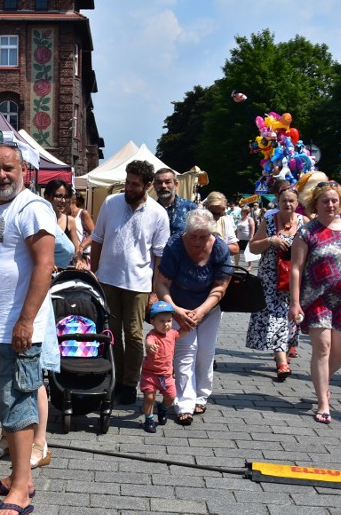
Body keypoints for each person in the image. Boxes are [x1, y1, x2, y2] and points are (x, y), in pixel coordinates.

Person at [0, 141, 56, 515]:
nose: (1, 175)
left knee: (18, 405)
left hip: (16, 328)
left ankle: (20, 490)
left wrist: (26, 320)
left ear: (23, 171)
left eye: (8, 168)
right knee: (3, 404)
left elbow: (44, 266)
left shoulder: (33, 209)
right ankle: (20, 477)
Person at [288, 181, 341, 424]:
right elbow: (296, 268)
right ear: (315, 203)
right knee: (323, 348)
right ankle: (323, 402)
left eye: (335, 200)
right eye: (325, 200)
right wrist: (295, 302)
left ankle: (322, 379)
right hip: (316, 298)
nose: (331, 204)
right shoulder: (307, 232)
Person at [91, 160, 170, 406]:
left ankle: (130, 382)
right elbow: (97, 239)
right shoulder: (111, 203)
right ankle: (115, 379)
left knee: (135, 335)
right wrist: (94, 272)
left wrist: (155, 291)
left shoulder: (158, 213)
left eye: (135, 184)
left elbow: (159, 256)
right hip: (108, 279)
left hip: (139, 284)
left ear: (148, 185)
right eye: (127, 182)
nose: (129, 187)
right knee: (111, 334)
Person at [154, 209, 232, 425]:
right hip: (179, 306)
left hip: (209, 307)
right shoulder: (175, 245)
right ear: (186, 233)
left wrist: (202, 311)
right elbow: (161, 283)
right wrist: (176, 311)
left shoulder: (219, 248)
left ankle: (202, 395)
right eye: (193, 236)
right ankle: (184, 403)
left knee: (205, 352)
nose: (198, 241)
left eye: (203, 236)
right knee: (185, 352)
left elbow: (221, 286)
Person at [246, 187, 307, 380]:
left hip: (294, 278)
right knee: (275, 317)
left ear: (298, 203)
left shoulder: (304, 223)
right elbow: (253, 247)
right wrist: (271, 240)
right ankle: (282, 361)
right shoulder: (269, 221)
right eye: (284, 201)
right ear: (278, 203)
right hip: (270, 278)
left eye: (291, 201)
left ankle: (283, 351)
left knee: (290, 317)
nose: (288, 204)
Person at [140, 301, 179, 433]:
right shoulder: (152, 335)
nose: (166, 324)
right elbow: (148, 342)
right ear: (152, 321)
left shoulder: (172, 333)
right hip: (150, 374)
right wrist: (150, 346)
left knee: (171, 397)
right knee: (149, 397)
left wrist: (190, 325)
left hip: (166, 375)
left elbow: (182, 333)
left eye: (169, 320)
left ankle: (162, 409)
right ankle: (149, 419)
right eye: (161, 321)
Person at [42, 180, 86, 270]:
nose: (63, 201)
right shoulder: (40, 220)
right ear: (47, 197)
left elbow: (76, 251)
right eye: (58, 196)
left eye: (65, 197)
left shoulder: (70, 221)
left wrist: (79, 262)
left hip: (63, 274)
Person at [154, 167, 197, 235]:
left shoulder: (191, 208)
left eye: (167, 182)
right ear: (154, 186)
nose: (163, 186)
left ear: (176, 184)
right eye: (159, 183)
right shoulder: (149, 210)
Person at [203, 191, 240, 256]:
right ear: (206, 207)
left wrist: (217, 247)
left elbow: (235, 249)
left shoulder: (225, 220)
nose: (216, 217)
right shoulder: (197, 220)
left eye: (220, 214)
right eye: (213, 213)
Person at [69, 193, 95, 265]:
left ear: (72, 201)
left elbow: (94, 234)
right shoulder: (64, 215)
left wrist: (81, 246)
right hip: (68, 257)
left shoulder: (83, 213)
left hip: (82, 256)